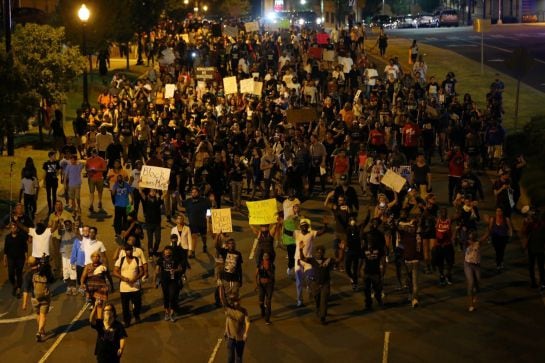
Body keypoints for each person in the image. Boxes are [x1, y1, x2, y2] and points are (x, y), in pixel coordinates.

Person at [293, 218, 328, 307]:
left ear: (307, 227)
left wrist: (325, 225)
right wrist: (281, 224)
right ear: (300, 227)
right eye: (302, 226)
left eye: (305, 226)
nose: (304, 228)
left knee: (311, 278)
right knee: (299, 282)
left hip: (308, 260)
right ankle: (299, 300)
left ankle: (311, 290)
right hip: (298, 260)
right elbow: (287, 232)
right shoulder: (296, 233)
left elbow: (322, 232)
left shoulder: (311, 233)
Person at [299, 243, 335, 324]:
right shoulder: (313, 260)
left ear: (323, 253)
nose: (319, 254)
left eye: (321, 252)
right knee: (317, 299)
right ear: (315, 253)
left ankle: (323, 317)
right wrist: (301, 249)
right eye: (317, 252)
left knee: (324, 300)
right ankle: (318, 309)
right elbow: (302, 258)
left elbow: (339, 260)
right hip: (315, 284)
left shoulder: (328, 260)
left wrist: (342, 250)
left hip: (325, 284)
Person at [21, 256, 54, 342]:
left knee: (38, 314)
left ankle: (41, 331)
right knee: (43, 315)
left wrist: (24, 303)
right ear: (37, 262)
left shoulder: (27, 275)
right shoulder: (43, 271)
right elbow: (51, 279)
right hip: (45, 296)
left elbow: (25, 290)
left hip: (34, 298)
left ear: (28, 264)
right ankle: (40, 331)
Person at [113, 245, 144, 327]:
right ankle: (127, 321)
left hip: (135, 287)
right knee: (125, 306)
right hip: (124, 288)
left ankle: (136, 314)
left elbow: (141, 271)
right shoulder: (121, 260)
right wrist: (123, 278)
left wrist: (135, 278)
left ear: (132, 251)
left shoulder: (137, 259)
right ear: (125, 251)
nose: (129, 252)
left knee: (137, 304)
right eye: (127, 250)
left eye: (130, 250)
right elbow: (115, 272)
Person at [156, 246, 187, 322]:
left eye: (169, 253)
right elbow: (157, 270)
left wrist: (175, 270)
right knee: (166, 297)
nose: (167, 254)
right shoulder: (160, 260)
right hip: (164, 281)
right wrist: (156, 281)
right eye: (166, 253)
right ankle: (167, 312)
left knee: (172, 296)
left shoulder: (175, 260)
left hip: (173, 281)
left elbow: (180, 268)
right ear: (164, 253)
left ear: (171, 253)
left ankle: (172, 313)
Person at [362, 218, 386, 310]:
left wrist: (382, 268)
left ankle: (379, 300)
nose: (370, 241)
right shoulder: (364, 249)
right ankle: (368, 304)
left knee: (378, 289)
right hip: (367, 272)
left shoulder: (379, 249)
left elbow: (382, 259)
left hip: (376, 272)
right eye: (368, 240)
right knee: (366, 290)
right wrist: (361, 270)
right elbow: (362, 260)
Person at [183, 187, 212, 257]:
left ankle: (204, 245)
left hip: (202, 222)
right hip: (193, 223)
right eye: (192, 192)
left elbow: (209, 210)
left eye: (195, 192)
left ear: (198, 193)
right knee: (193, 237)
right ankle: (193, 251)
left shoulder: (205, 201)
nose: (193, 194)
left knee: (203, 236)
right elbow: (182, 208)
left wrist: (208, 219)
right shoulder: (188, 201)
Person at [482, 208, 512, 272]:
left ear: (502, 212)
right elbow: (490, 228)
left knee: (502, 250)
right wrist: (488, 237)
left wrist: (510, 235)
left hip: (503, 238)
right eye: (497, 211)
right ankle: (499, 261)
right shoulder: (493, 219)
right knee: (497, 250)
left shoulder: (506, 219)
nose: (498, 212)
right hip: (495, 238)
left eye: (500, 211)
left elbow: (510, 228)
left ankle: (499, 263)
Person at [223, 293, 250, 363]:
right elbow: (222, 299)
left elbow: (247, 322)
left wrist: (246, 333)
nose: (236, 302)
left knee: (239, 357)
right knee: (230, 357)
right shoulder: (229, 310)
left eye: (237, 300)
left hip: (240, 338)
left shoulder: (244, 311)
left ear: (240, 300)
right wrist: (226, 330)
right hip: (230, 337)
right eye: (234, 301)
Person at [3, 222, 28, 297]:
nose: (13, 229)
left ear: (17, 228)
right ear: (10, 229)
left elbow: (25, 248)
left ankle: (19, 289)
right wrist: (5, 259)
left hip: (20, 258)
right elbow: (5, 249)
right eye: (12, 227)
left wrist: (26, 258)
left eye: (15, 227)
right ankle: (15, 285)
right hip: (11, 258)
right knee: (10, 274)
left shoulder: (21, 237)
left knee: (19, 273)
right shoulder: (8, 237)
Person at [141, 188, 164, 258]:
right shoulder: (146, 199)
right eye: (152, 191)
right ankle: (150, 254)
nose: (153, 192)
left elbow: (164, 194)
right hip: (149, 223)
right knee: (150, 241)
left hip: (157, 223)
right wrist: (140, 185)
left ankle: (154, 251)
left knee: (158, 239)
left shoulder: (158, 199)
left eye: (154, 191)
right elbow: (141, 192)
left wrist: (166, 185)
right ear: (149, 192)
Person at [255, 252, 275, 325]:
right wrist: (256, 284)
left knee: (268, 302)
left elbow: (272, 276)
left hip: (269, 284)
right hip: (261, 285)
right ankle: (263, 310)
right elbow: (256, 274)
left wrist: (267, 270)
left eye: (267, 255)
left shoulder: (271, 265)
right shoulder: (260, 264)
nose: (265, 257)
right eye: (264, 255)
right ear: (262, 257)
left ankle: (267, 319)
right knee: (261, 302)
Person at [59, 219, 78, 295]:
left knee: (73, 271)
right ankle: (69, 286)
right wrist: (59, 223)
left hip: (72, 255)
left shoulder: (75, 233)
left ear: (71, 225)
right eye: (66, 224)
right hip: (64, 255)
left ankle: (74, 287)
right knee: (66, 272)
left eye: (69, 224)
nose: (67, 226)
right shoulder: (63, 232)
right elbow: (59, 230)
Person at [112, 174, 133, 239]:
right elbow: (113, 194)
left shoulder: (127, 185)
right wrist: (114, 190)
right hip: (118, 205)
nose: (119, 179)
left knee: (125, 220)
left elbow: (131, 193)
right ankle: (117, 233)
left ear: (122, 178)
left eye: (120, 178)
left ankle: (124, 232)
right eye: (118, 178)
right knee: (117, 220)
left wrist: (132, 200)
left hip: (126, 205)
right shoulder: (115, 185)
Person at [86, 148, 107, 213]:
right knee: (91, 192)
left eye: (94, 153)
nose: (93, 154)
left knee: (100, 191)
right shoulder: (88, 160)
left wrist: (97, 170)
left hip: (99, 178)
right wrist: (90, 171)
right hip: (91, 178)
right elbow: (86, 168)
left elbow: (105, 169)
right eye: (92, 153)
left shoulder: (101, 160)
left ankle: (100, 201)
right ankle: (91, 204)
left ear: (97, 153)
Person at [282, 205, 301, 277]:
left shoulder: (302, 217)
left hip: (298, 240)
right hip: (290, 241)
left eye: (298, 208)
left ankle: (297, 269)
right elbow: (285, 226)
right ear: (293, 209)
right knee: (291, 256)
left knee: (298, 256)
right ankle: (290, 267)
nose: (297, 209)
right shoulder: (289, 217)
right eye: (295, 208)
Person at [465, 231, 482, 312]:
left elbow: (486, 235)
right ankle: (471, 304)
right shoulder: (466, 243)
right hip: (468, 265)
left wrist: (490, 227)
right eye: (469, 238)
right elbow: (455, 240)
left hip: (477, 265)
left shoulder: (478, 243)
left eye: (472, 238)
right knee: (471, 282)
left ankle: (475, 294)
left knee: (478, 282)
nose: (470, 239)